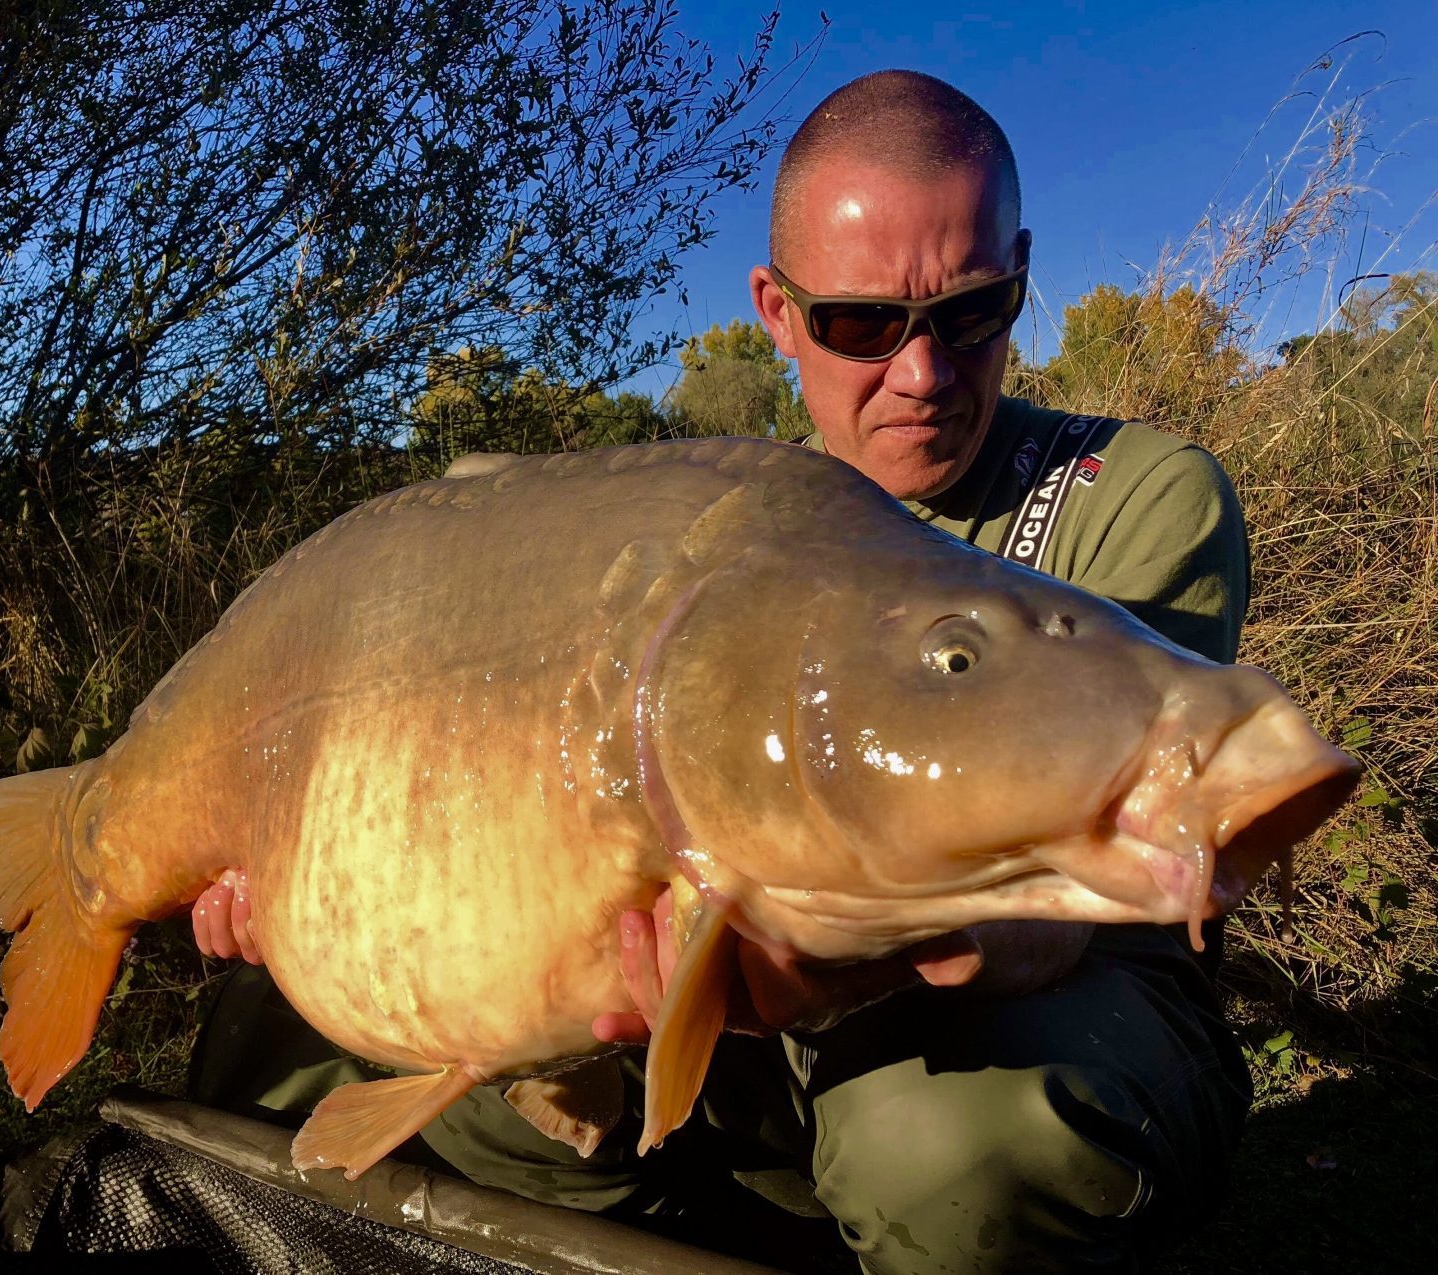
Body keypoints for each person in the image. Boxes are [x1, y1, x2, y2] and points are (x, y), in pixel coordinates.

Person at [190, 71, 1253, 1274]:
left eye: (969, 312)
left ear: (1018, 277)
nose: (921, 373)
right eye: (861, 324)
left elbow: (1111, 876)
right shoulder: (713, 529)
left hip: (1041, 1011)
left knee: (952, 1146)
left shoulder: (1136, 497)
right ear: (776, 309)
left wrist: (877, 951)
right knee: (424, 1066)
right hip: (721, 1006)